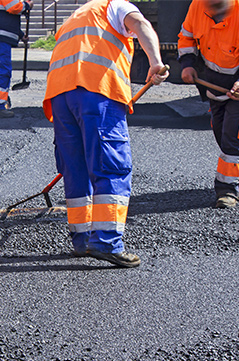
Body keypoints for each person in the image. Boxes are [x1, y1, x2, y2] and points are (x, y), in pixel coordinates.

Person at [43, 0, 168, 268]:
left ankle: (82, 240)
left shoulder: (76, 17)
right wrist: (156, 62)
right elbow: (141, 25)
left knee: (75, 168)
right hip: (96, 91)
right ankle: (107, 241)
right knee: (111, 166)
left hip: (61, 96)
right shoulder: (116, 5)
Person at [178, 0, 239, 209]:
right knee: (222, 133)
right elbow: (187, 36)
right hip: (214, 83)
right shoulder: (198, 6)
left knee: (234, 136)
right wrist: (187, 64)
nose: (213, 11)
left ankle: (227, 190)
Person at [0, 0, 33, 117]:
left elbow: (1, 14)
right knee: (3, 70)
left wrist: (20, 34)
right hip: (0, 34)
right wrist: (27, 5)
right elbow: (13, 7)